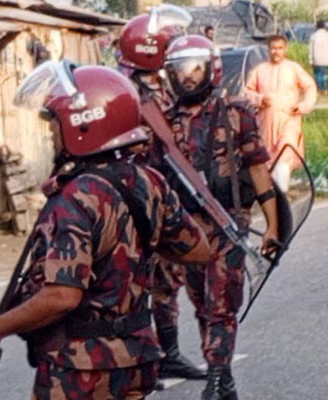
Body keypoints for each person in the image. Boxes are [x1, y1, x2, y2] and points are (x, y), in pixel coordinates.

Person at [0, 62, 211, 400]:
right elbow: (198, 250)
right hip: (136, 357)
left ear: (83, 126)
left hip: (83, 369)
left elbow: (62, 296)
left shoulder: (74, 199)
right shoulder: (150, 182)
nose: (51, 133)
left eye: (56, 124)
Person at [162, 34, 279, 400]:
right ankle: (224, 377)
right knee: (201, 304)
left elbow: (259, 170)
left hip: (227, 225)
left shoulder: (235, 114)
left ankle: (214, 382)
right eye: (180, 70)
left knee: (222, 306)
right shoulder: (163, 124)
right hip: (186, 232)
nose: (188, 77)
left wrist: (273, 224)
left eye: (195, 68)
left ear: (209, 68)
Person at [118, 10, 209, 383]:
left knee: (164, 280)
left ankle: (165, 354)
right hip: (137, 198)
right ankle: (145, 359)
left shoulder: (151, 85)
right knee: (139, 283)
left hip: (158, 194)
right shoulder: (128, 92)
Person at [244, 34, 317, 192]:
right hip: (265, 123)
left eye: (280, 48)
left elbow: (310, 87)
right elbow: (247, 92)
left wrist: (304, 105)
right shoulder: (259, 70)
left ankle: (282, 194)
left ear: (285, 49)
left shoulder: (293, 68)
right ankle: (272, 196)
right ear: (268, 49)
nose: (276, 52)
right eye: (273, 48)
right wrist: (259, 99)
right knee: (268, 159)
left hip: (289, 121)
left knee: (285, 154)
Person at [309, 21, 328, 94]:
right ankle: (324, 88)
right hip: (326, 58)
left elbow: (310, 49)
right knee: (324, 74)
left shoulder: (313, 36)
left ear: (317, 26)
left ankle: (320, 88)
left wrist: (310, 59)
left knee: (318, 74)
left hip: (316, 58)